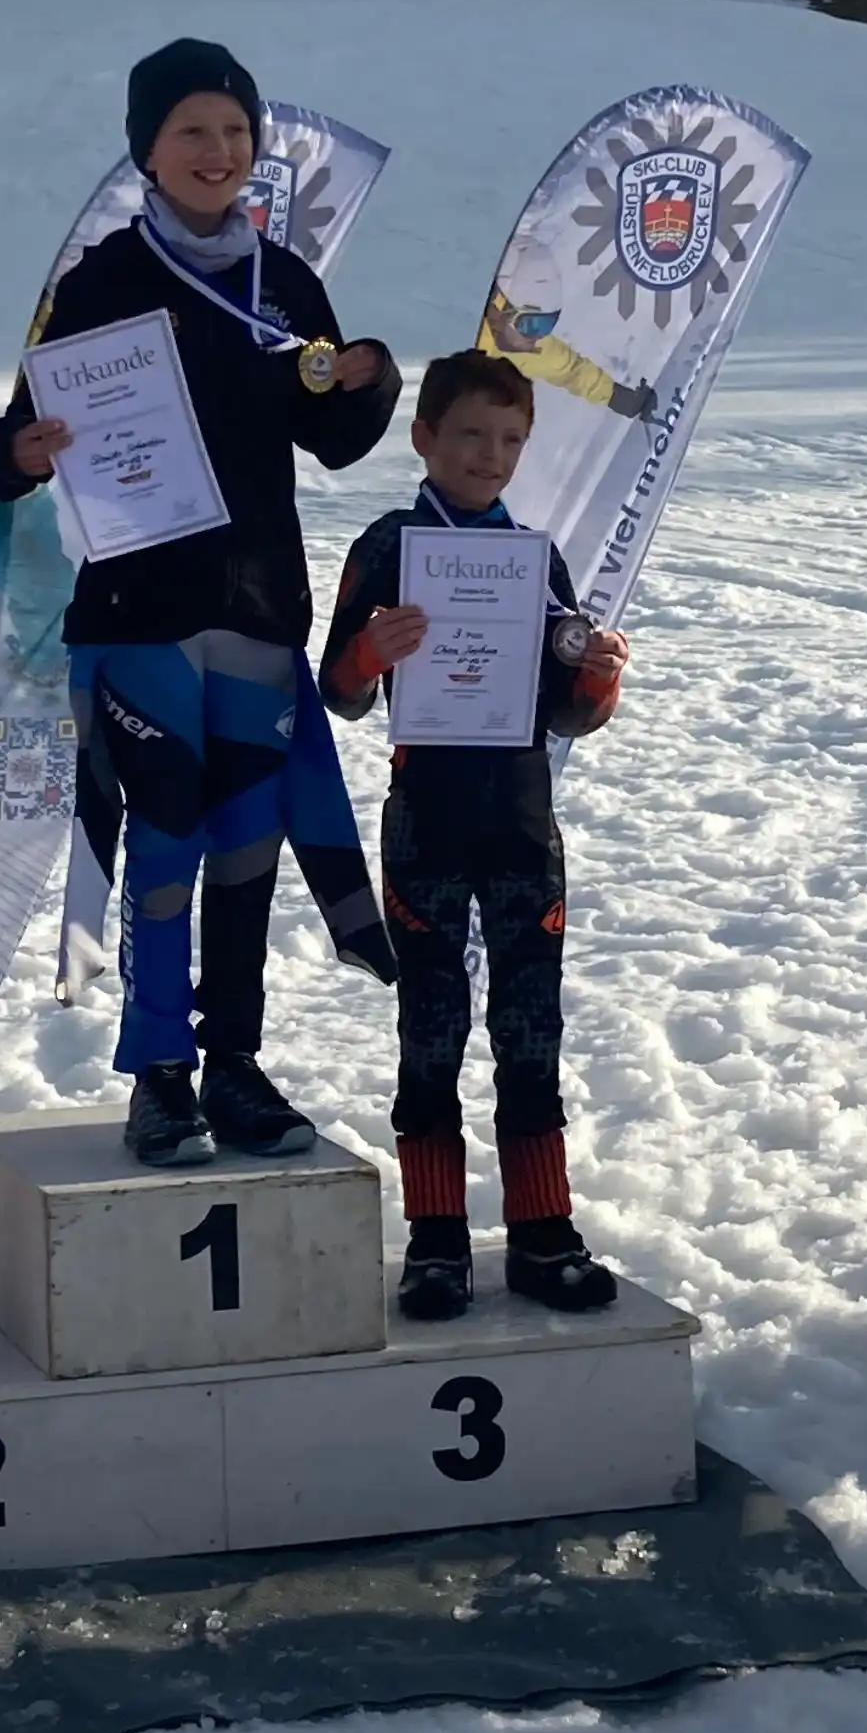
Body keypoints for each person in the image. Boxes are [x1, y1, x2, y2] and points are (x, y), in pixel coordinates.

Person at [0, 38, 400, 1166]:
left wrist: (369, 383)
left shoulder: (286, 282)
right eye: (192, 132)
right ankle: (161, 1073)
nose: (220, 152)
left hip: (257, 608)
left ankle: (239, 1065)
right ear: (147, 154)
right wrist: (17, 449)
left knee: (248, 849)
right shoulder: (104, 283)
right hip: (138, 614)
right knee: (165, 842)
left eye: (236, 132)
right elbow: (8, 444)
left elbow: (337, 437)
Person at [322, 347, 629, 1318]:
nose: (489, 456)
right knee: (433, 1028)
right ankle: (437, 1240)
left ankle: (543, 1233)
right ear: (425, 439)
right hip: (428, 821)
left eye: (510, 440)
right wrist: (372, 649)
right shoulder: (389, 546)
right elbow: (339, 688)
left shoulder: (533, 558)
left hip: (521, 822)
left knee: (532, 1028)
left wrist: (599, 674)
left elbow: (567, 713)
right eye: (470, 436)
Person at [482, 229, 659, 420]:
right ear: (500, 310)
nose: (536, 338)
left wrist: (620, 398)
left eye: (547, 325)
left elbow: (572, 370)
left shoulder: (526, 348)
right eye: (531, 324)